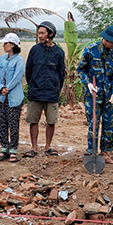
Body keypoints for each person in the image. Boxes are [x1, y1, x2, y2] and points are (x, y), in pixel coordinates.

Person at [76, 25, 113, 164]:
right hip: (93, 95)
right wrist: (88, 83)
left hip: (108, 94)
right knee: (94, 124)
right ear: (106, 39)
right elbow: (81, 70)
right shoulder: (91, 50)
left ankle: (106, 152)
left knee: (109, 124)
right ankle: (91, 152)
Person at [24, 21, 66, 157]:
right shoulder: (34, 50)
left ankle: (48, 146)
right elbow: (28, 71)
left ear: (51, 34)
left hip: (51, 93)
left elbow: (61, 74)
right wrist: (33, 85)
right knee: (33, 120)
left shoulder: (59, 52)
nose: (40, 35)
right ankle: (34, 147)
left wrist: (55, 89)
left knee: (51, 121)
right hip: (35, 92)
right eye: (39, 32)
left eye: (42, 33)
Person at [0, 33, 25, 162]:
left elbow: (17, 77)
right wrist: (1, 88)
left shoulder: (19, 61)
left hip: (14, 97)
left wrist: (8, 88)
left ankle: (13, 150)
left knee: (13, 123)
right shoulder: (2, 59)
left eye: (5, 43)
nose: (4, 46)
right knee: (1, 123)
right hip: (1, 97)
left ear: (12, 45)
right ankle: (4, 148)